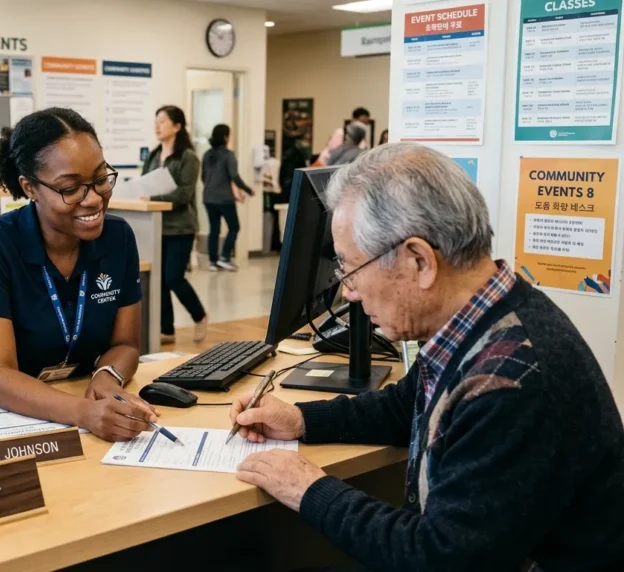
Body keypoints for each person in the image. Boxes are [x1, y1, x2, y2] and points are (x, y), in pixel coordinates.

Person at [230, 143, 624, 570]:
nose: (347, 291)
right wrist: (303, 420)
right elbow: (407, 405)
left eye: (350, 268)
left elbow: (440, 558)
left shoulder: (511, 378)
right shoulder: (486, 318)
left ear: (419, 260)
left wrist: (310, 489)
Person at [0, 107, 159, 442]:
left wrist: (107, 377)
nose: (93, 198)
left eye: (99, 179)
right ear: (30, 187)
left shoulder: (118, 237)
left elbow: (124, 344)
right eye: (70, 188)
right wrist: (84, 414)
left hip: (58, 411)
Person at [140, 105, 208, 345]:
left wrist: (153, 199)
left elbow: (184, 194)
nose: (157, 126)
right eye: (155, 121)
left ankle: (200, 316)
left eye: (162, 121)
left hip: (180, 228)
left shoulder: (188, 157)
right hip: (155, 225)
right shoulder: (153, 155)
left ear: (177, 126)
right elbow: (144, 183)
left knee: (173, 277)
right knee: (157, 279)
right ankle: (166, 329)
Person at [202, 124, 252, 272]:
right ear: (226, 137)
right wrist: (248, 190)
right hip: (224, 199)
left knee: (214, 229)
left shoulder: (207, 154)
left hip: (208, 198)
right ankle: (225, 257)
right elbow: (234, 177)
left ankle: (213, 261)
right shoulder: (228, 155)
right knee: (234, 227)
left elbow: (203, 177)